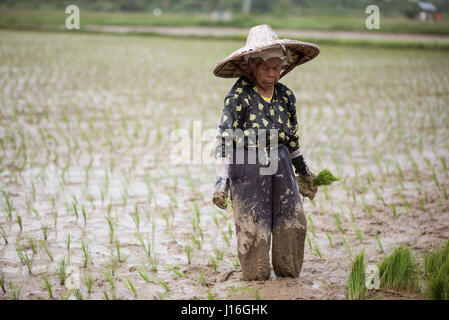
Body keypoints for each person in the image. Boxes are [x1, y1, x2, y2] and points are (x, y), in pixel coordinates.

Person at [212, 25, 320, 281]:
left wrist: (304, 171)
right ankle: (256, 276)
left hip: (281, 161)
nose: (272, 74)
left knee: (292, 220)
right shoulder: (238, 95)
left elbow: (292, 139)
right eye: (265, 68)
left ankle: (288, 273)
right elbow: (225, 139)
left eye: (276, 68)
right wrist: (221, 182)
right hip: (248, 163)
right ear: (251, 66)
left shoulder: (285, 96)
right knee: (253, 225)